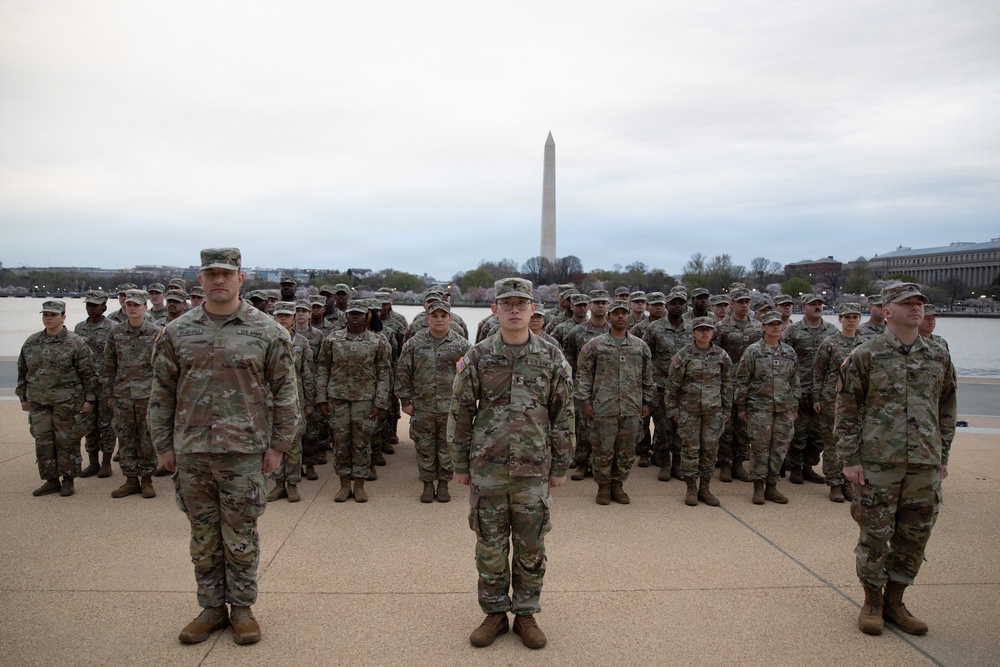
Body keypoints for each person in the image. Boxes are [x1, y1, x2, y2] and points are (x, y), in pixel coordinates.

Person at [148, 248, 300, 646]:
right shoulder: (178, 332)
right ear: (200, 280)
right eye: (211, 273)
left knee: (241, 533)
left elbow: (287, 393)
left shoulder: (267, 331)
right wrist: (164, 445)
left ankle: (244, 608)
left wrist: (279, 446)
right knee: (203, 535)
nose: (219, 280)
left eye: (226, 274)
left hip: (244, 451)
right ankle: (212, 608)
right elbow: (161, 393)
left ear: (240, 279)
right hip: (192, 451)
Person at [448, 277, 574, 650]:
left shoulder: (551, 357)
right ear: (495, 310)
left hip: (533, 471)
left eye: (522, 304)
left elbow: (563, 414)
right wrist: (459, 463)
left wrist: (561, 465)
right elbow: (460, 412)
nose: (515, 310)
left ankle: (526, 614)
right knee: (489, 544)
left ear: (533, 309)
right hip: (487, 470)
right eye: (507, 304)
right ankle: (494, 613)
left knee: (531, 545)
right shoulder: (477, 356)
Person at [835, 282, 956, 637]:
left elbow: (946, 406)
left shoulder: (938, 355)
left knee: (915, 535)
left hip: (924, 461)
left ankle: (895, 600)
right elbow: (846, 409)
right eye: (907, 303)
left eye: (919, 303)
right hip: (878, 462)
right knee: (875, 534)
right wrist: (850, 458)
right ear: (887, 311)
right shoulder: (865, 354)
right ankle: (872, 600)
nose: (916, 308)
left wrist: (942, 454)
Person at [17, 300, 98, 498]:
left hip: (67, 402)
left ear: (63, 316)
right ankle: (50, 480)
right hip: (39, 401)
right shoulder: (32, 342)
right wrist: (23, 396)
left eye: (53, 315)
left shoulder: (76, 342)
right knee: (43, 442)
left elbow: (89, 373)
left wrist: (90, 399)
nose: (48, 318)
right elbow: (22, 370)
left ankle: (68, 480)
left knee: (67, 442)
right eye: (45, 315)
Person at [575, 300, 653, 505]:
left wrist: (646, 402)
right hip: (603, 407)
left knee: (627, 450)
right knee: (602, 449)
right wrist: (584, 401)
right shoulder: (595, 345)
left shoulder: (640, 346)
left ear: (628, 317)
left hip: (631, 407)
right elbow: (583, 375)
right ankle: (603, 486)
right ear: (609, 318)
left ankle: (618, 484)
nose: (620, 317)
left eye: (624, 314)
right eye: (616, 314)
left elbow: (647, 377)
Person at [315, 299, 392, 503]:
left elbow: (384, 372)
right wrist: (321, 397)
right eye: (351, 313)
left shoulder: (377, 341)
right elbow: (322, 368)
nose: (355, 317)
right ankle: (343, 485)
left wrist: (380, 402)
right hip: (337, 398)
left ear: (367, 316)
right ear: (346, 315)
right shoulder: (332, 339)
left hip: (365, 399)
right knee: (340, 442)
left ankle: (359, 485)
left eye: (359, 313)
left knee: (361, 442)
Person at [396, 300, 470, 503]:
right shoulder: (414, 343)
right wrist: (405, 401)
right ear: (427, 318)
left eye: (443, 316)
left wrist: (466, 404)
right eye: (434, 316)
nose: (439, 319)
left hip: (450, 407)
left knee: (447, 447)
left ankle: (444, 484)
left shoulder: (462, 345)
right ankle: (428, 484)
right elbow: (403, 372)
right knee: (424, 446)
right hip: (423, 405)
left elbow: (469, 376)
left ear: (450, 318)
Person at [665, 316, 733, 507]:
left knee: (710, 450)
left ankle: (705, 487)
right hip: (689, 411)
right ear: (693, 332)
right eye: (701, 329)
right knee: (690, 450)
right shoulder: (683, 355)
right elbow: (673, 385)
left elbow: (727, 384)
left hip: (713, 412)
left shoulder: (721, 355)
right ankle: (691, 488)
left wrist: (726, 411)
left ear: (713, 332)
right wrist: (672, 410)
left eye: (708, 329)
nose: (705, 333)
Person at [735, 311, 800, 505]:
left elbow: (794, 380)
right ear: (763, 327)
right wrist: (741, 405)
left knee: (779, 448)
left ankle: (772, 486)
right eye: (770, 324)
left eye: (778, 324)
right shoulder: (753, 351)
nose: (775, 327)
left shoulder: (789, 352)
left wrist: (795, 404)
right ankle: (758, 487)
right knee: (759, 448)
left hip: (784, 408)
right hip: (759, 407)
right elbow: (743, 380)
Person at [104, 290, 160, 499]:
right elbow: (109, 365)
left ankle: (147, 479)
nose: (133, 308)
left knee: (147, 438)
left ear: (145, 307)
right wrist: (109, 392)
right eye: (129, 305)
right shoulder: (115, 332)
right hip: (123, 395)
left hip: (148, 395)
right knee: (125, 437)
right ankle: (130, 479)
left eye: (137, 305)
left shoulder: (156, 333)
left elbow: (163, 366)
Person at [811, 303, 864, 503]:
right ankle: (834, 484)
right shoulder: (829, 343)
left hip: (857, 401)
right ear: (840, 319)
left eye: (855, 317)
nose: (851, 320)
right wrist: (816, 398)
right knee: (832, 443)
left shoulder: (866, 344)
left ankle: (848, 483)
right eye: (847, 317)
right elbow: (818, 373)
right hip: (831, 398)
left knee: (852, 444)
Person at [784, 294, 838, 485]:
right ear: (803, 307)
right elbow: (784, 358)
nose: (817, 307)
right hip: (800, 388)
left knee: (818, 434)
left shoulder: (831, 331)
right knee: (798, 432)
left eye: (819, 304)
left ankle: (809, 466)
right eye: (812, 304)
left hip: (823, 392)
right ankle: (795, 468)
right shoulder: (793, 330)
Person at [266, 302, 315, 503]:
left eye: (287, 315)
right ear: (274, 317)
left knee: (294, 443)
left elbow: (308, 373)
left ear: (294, 318)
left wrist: (310, 401)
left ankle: (293, 484)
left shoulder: (302, 342)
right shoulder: (266, 339)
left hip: (296, 400)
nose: (283, 319)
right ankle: (278, 485)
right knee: (274, 442)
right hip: (270, 400)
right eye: (280, 315)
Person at [642, 290, 691, 479]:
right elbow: (646, 356)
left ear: (685, 306)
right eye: (673, 303)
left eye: (681, 303)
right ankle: (664, 462)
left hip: (685, 388)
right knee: (662, 427)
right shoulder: (654, 328)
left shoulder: (691, 328)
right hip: (661, 385)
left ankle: (678, 463)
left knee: (682, 427)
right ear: (667, 306)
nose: (677, 306)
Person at [715, 287, 761, 482]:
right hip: (726, 383)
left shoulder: (759, 327)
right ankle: (724, 463)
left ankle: (739, 463)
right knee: (726, 425)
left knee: (744, 427)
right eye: (740, 301)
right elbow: (714, 356)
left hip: (749, 385)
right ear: (731, 304)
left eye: (747, 302)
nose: (744, 305)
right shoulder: (721, 328)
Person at [564, 290, 610, 481]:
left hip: (608, 388)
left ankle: (600, 466)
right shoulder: (577, 332)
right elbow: (568, 360)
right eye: (596, 302)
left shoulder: (615, 330)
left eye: (603, 303)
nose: (600, 306)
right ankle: (582, 463)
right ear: (589, 306)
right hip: (583, 387)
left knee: (605, 429)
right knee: (582, 428)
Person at [74, 289, 117, 478]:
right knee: (88, 425)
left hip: (105, 384)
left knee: (106, 425)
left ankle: (106, 462)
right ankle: (93, 462)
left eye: (95, 305)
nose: (91, 308)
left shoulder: (113, 328)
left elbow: (116, 358)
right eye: (88, 305)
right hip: (86, 385)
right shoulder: (79, 328)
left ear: (104, 306)